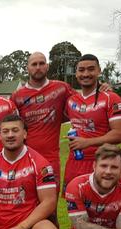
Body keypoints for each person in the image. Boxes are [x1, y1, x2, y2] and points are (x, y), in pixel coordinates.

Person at [10, 52, 75, 185]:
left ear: (47, 66)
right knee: (26, 202)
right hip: (25, 158)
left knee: (50, 201)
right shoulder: (17, 96)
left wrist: (101, 89)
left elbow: (82, 102)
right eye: (34, 64)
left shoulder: (61, 88)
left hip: (51, 159)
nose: (38, 67)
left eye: (41, 63)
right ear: (27, 68)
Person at [64, 54, 121, 188]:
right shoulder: (71, 100)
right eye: (81, 70)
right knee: (74, 206)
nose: (86, 74)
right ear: (76, 73)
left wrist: (87, 142)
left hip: (101, 164)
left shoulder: (111, 98)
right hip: (74, 163)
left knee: (101, 206)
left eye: (91, 69)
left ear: (99, 71)